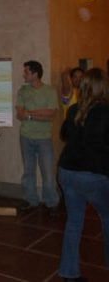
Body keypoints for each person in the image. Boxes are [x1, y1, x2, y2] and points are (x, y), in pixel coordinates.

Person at [58, 68, 109, 282]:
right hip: (93, 175)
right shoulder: (106, 111)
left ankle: (69, 273)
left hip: (67, 172)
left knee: (74, 221)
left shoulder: (75, 110)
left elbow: (64, 134)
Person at [15, 60, 60, 211]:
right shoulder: (23, 90)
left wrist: (30, 114)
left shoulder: (50, 91)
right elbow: (20, 114)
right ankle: (30, 199)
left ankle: (51, 202)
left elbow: (51, 114)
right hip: (26, 136)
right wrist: (39, 112)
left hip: (44, 138)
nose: (24, 74)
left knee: (47, 171)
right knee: (28, 170)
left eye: (26, 72)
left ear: (35, 74)